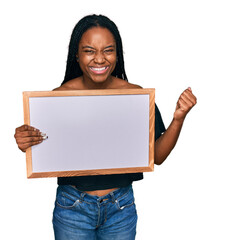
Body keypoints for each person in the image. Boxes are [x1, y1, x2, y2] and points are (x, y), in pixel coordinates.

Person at [14, 14, 196, 240]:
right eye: (89, 50)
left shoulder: (135, 96)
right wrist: (26, 142)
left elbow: (157, 156)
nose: (99, 59)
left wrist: (178, 118)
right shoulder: (58, 98)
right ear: (77, 55)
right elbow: (44, 147)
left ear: (117, 55)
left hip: (120, 207)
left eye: (108, 50)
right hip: (73, 208)